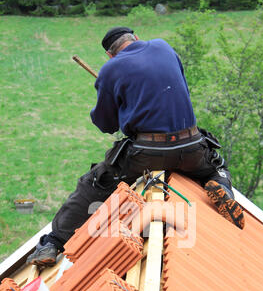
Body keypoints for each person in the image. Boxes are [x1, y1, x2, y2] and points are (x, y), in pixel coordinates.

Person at [27, 26, 244, 267]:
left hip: (148, 154)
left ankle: (53, 243)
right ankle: (222, 187)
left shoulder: (111, 69)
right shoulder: (163, 46)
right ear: (137, 38)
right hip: (192, 146)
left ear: (110, 55)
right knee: (215, 166)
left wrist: (116, 100)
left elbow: (106, 124)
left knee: (93, 183)